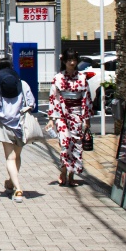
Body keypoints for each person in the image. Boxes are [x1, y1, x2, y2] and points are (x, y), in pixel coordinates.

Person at [0, 59, 36, 203]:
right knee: (17, 156)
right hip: (21, 125)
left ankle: (18, 188)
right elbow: (31, 102)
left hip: (5, 126)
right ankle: (11, 182)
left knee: (10, 158)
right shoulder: (23, 84)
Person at [48, 48, 93, 186]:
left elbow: (86, 99)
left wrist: (87, 119)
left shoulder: (82, 78)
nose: (72, 63)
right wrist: (51, 118)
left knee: (76, 145)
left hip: (77, 115)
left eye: (74, 60)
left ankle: (72, 175)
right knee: (65, 144)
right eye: (69, 60)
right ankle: (63, 170)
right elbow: (53, 98)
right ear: (64, 61)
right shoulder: (58, 78)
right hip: (62, 114)